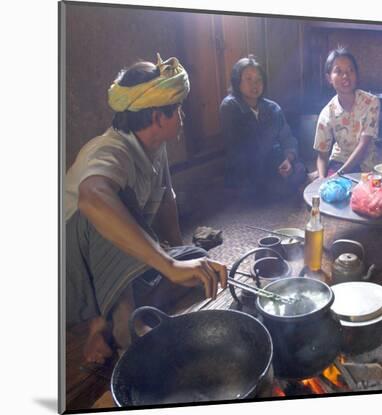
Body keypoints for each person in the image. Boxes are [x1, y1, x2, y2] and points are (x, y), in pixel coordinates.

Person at [65, 54, 227, 364]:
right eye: (177, 110)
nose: (182, 116)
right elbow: (92, 197)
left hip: (114, 272)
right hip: (74, 280)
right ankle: (127, 332)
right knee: (111, 207)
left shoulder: (156, 147)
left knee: (198, 263)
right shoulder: (112, 149)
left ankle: (111, 320)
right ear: (156, 117)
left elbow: (167, 200)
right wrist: (167, 265)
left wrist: (179, 257)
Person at [219, 55, 306, 200]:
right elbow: (242, 148)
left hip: (273, 161)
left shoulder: (273, 108)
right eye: (248, 79)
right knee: (253, 190)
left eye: (259, 79)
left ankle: (283, 185)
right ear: (237, 82)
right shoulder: (230, 106)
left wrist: (288, 160)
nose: (255, 84)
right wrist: (273, 163)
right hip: (247, 168)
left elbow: (287, 138)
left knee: (297, 170)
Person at [313, 47, 380, 178]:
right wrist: (322, 179)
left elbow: (363, 146)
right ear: (329, 79)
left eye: (350, 70)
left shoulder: (371, 102)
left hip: (366, 165)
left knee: (359, 194)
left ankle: (313, 176)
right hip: (339, 161)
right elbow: (322, 156)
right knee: (332, 192)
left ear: (356, 74)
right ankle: (315, 176)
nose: (345, 76)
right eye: (338, 71)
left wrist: (338, 175)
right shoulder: (327, 113)